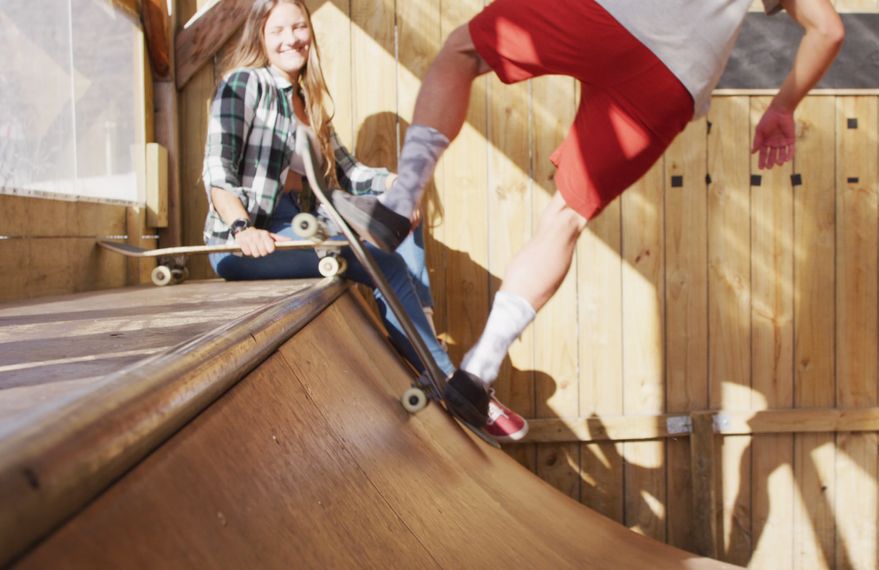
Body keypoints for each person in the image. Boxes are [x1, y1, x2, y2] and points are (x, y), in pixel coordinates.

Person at [333, 0, 845, 442]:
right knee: (566, 217)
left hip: (603, 12)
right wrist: (782, 106)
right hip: (674, 77)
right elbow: (828, 29)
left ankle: (401, 201)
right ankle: (479, 369)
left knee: (462, 51)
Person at [201, 0, 492, 431]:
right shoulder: (244, 85)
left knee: (397, 214)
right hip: (250, 237)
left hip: (297, 225)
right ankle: (445, 375)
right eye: (277, 30)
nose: (290, 39)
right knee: (385, 265)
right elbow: (217, 169)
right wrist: (241, 227)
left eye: (298, 27)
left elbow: (349, 172)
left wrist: (395, 183)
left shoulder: (307, 99)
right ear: (260, 37)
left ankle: (422, 327)